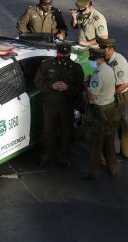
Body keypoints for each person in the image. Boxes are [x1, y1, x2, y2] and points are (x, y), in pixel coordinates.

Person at [34, 43, 84, 168]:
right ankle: (46, 155)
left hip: (67, 106)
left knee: (67, 132)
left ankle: (64, 158)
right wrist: (52, 86)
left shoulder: (76, 68)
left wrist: (68, 88)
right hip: (50, 105)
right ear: (58, 53)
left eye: (66, 54)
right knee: (48, 131)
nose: (64, 56)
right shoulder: (47, 65)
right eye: (62, 54)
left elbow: (79, 88)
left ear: (70, 54)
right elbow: (37, 81)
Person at [81, 48, 118, 180]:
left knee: (95, 143)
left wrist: (86, 84)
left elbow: (92, 96)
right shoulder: (108, 69)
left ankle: (93, 172)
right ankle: (113, 167)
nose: (93, 62)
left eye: (94, 60)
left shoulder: (98, 74)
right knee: (109, 140)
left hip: (99, 110)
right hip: (110, 108)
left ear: (99, 59)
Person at [98, 38, 128, 160]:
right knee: (120, 122)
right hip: (117, 94)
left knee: (112, 124)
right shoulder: (110, 59)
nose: (101, 51)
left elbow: (124, 84)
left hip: (119, 96)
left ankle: (110, 156)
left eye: (103, 49)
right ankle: (126, 151)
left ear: (110, 49)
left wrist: (109, 95)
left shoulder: (117, 62)